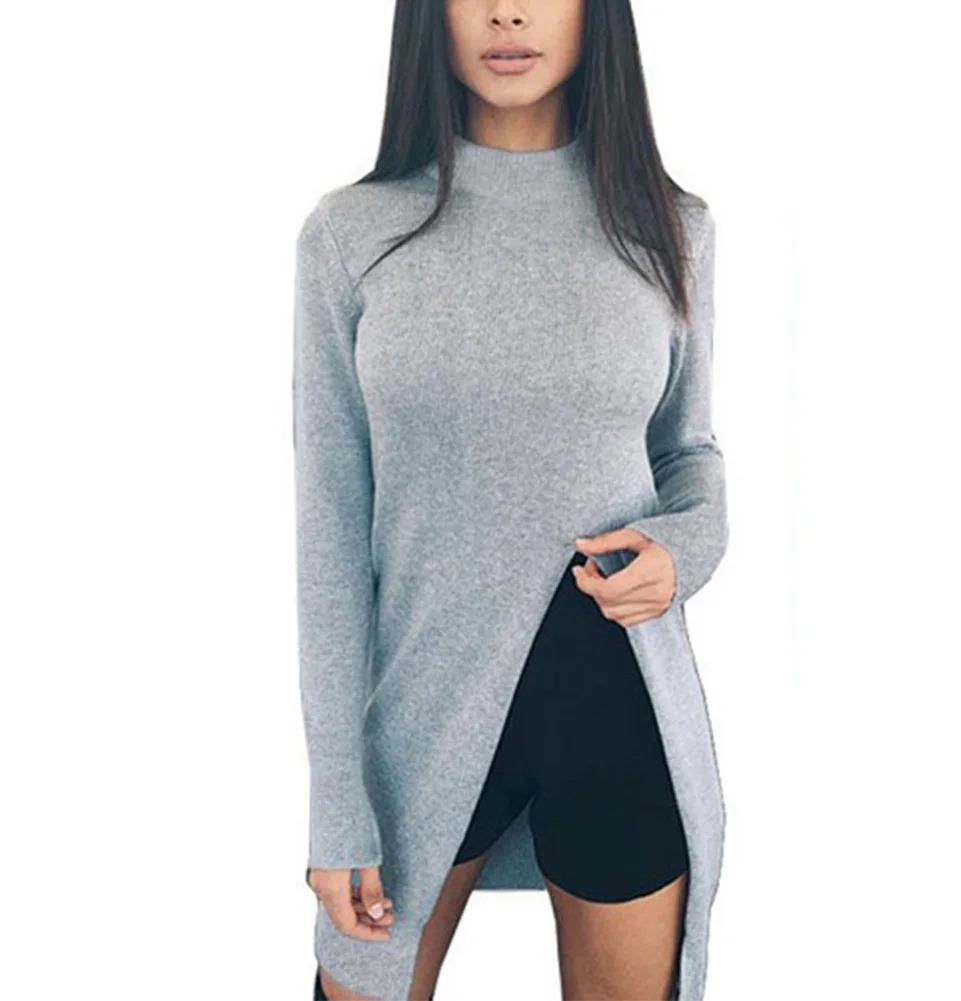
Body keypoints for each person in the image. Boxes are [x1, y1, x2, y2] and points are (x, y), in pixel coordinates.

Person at [293, 2, 729, 999]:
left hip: (624, 708)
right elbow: (328, 532)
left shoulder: (670, 228)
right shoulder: (350, 235)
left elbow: (687, 452)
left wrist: (684, 552)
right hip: (419, 725)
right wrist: (335, 805)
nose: (507, 11)